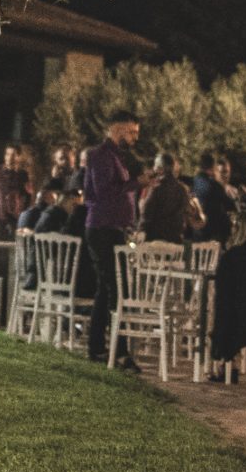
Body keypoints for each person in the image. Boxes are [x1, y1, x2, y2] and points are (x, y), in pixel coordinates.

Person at [80, 111, 140, 363]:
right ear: (118, 130)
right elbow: (104, 192)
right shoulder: (101, 156)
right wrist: (136, 184)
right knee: (112, 287)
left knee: (110, 289)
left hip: (113, 228)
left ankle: (105, 347)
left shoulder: (117, 156)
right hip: (103, 228)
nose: (136, 138)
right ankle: (108, 348)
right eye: (132, 132)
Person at [141, 155, 202, 243]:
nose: (153, 169)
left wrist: (141, 230)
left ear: (160, 169)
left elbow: (146, 212)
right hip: (175, 240)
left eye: (155, 166)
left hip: (155, 241)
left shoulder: (156, 188)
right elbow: (187, 211)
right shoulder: (182, 189)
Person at [0, 144, 32, 230]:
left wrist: (23, 213)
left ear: (18, 157)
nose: (9, 158)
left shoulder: (23, 175)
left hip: (13, 219)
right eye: (7, 154)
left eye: (13, 155)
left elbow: (28, 195)